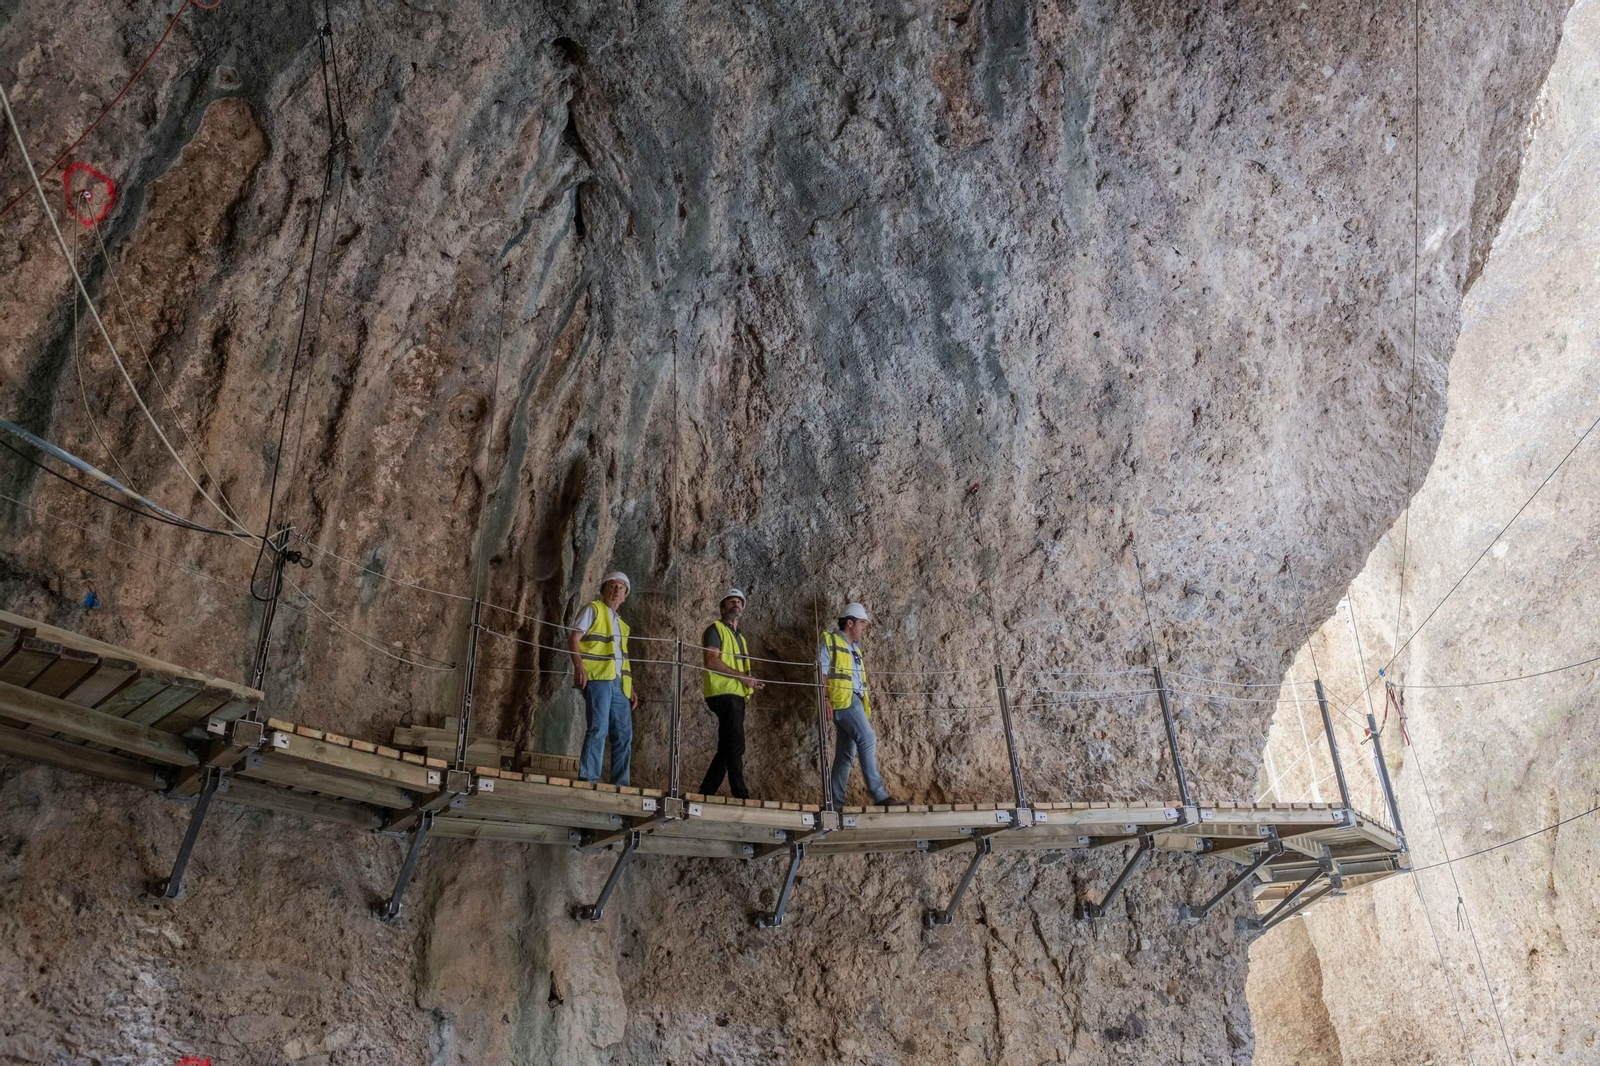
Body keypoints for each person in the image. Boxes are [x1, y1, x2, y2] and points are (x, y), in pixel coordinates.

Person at [818, 602, 896, 807]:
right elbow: (821, 672)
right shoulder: (831, 640)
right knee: (867, 738)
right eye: (862, 623)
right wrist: (824, 698)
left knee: (845, 754)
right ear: (849, 623)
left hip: (854, 701)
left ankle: (835, 804)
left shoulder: (855, 649)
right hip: (843, 699)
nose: (865, 628)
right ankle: (879, 795)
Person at [567, 571, 637, 786]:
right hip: (598, 678)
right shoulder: (594, 609)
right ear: (603, 590)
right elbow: (574, 638)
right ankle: (588, 778)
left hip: (619, 684)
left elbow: (621, 659)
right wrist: (579, 667)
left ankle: (621, 784)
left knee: (624, 735)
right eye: (612, 586)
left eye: (621, 588)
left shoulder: (623, 626)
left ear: (625, 596)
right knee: (598, 728)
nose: (617, 590)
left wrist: (631, 688)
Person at [697, 588, 766, 799]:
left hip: (736, 694)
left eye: (739, 601)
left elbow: (736, 665)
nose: (736, 604)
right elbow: (712, 660)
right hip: (723, 693)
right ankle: (741, 794)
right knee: (736, 745)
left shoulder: (740, 638)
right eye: (731, 601)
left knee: (728, 746)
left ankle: (706, 791)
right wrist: (742, 677)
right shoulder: (715, 629)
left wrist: (750, 681)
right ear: (722, 608)